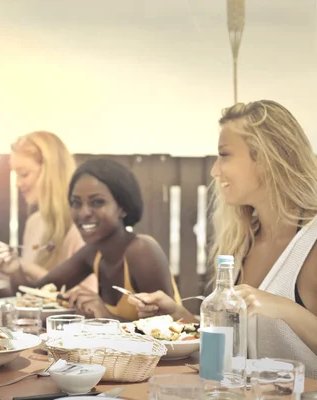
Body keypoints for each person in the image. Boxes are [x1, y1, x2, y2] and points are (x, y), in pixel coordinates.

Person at [128, 100, 317, 378]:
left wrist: (284, 308)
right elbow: (236, 345)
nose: (215, 170)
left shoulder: (310, 244)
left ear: (267, 158)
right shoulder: (243, 242)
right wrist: (179, 315)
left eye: (224, 155)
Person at [29, 157, 181, 321]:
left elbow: (166, 330)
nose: (84, 213)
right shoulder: (94, 252)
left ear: (122, 208)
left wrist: (105, 318)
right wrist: (14, 268)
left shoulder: (142, 251)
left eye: (97, 202)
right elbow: (37, 291)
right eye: (76, 203)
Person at [0, 131, 97, 292]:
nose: (17, 183)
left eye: (24, 174)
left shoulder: (82, 224)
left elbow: (87, 296)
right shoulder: (35, 222)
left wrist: (24, 266)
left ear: (51, 171)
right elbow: (25, 290)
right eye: (15, 174)